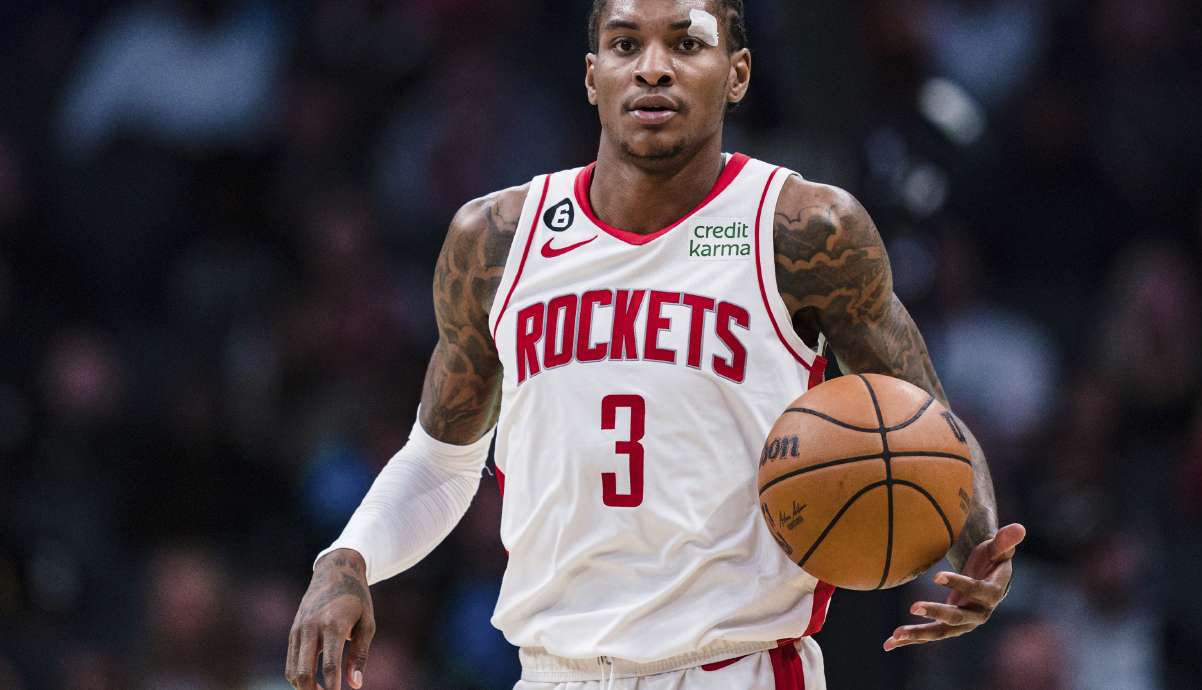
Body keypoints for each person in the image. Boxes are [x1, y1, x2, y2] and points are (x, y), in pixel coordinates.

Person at [285, 1, 1026, 688]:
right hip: (552, 672)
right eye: (624, 44)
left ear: (737, 73)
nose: (652, 67)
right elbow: (443, 460)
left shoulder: (803, 230)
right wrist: (346, 559)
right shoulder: (496, 240)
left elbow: (929, 424)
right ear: (591, 76)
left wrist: (978, 549)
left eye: (686, 43)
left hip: (732, 669)